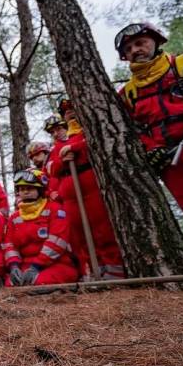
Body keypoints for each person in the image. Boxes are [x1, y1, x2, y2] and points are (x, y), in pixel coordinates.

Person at [116, 21, 183, 267]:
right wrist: (151, 149)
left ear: (156, 41)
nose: (135, 50)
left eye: (140, 43)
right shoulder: (128, 94)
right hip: (170, 159)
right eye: (129, 49)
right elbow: (133, 131)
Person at [46, 99, 125, 279]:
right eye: (66, 112)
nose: (70, 114)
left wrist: (74, 147)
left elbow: (96, 143)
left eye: (72, 109)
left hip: (91, 187)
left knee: (102, 229)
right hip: (69, 194)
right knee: (79, 234)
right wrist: (62, 159)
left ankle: (113, 269)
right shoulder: (55, 147)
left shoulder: (88, 131)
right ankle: (93, 270)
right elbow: (50, 169)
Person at [4, 169, 78, 286]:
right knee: (11, 284)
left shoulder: (55, 209)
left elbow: (58, 241)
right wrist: (14, 266)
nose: (25, 192)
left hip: (57, 264)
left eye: (30, 188)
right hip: (26, 266)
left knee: (38, 282)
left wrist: (36, 266)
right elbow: (10, 245)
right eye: (22, 189)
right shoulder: (14, 217)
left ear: (40, 189)